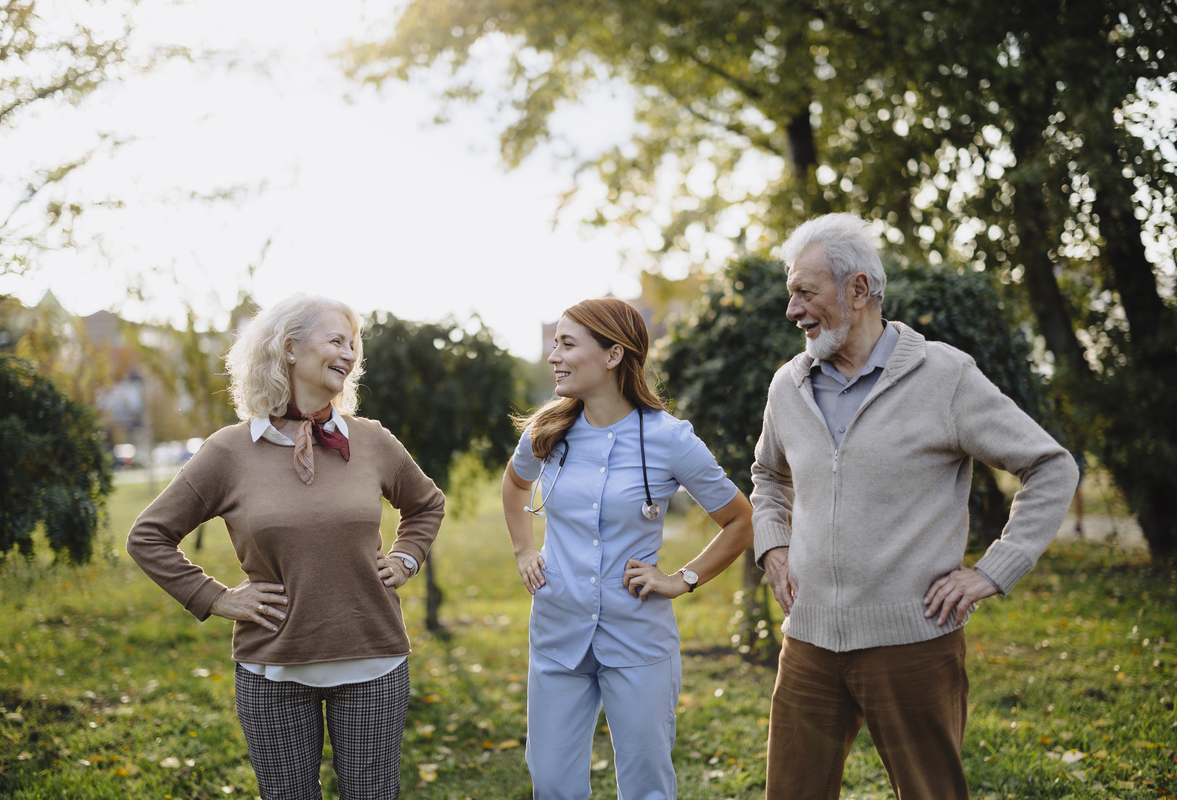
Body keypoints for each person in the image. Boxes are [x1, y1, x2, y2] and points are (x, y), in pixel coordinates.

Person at [751, 214, 1078, 800]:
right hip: (808, 642)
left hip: (914, 642)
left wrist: (993, 571)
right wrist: (772, 541)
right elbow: (768, 475)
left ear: (858, 290)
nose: (793, 309)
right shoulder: (788, 386)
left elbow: (1051, 466)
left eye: (806, 291)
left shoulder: (945, 376)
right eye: (790, 293)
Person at [127, 294, 445, 800]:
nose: (349, 353)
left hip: (372, 659)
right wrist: (214, 597)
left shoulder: (373, 441)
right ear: (290, 348)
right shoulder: (228, 451)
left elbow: (427, 505)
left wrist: (406, 557)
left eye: (354, 344)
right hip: (272, 665)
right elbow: (148, 536)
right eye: (336, 340)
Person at [501, 298, 753, 800]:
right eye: (555, 344)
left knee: (645, 787)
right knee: (551, 782)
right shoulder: (546, 431)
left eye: (568, 344)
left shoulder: (670, 439)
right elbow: (514, 486)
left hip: (638, 638)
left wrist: (682, 578)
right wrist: (524, 550)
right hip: (558, 632)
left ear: (614, 355)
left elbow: (740, 520)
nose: (554, 356)